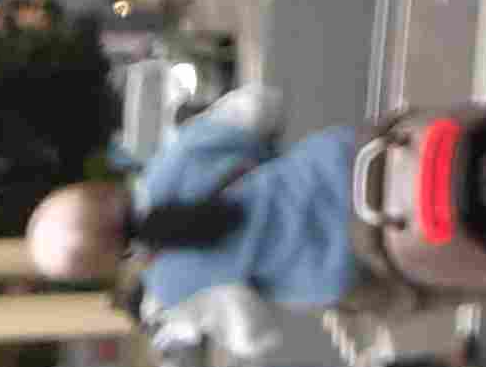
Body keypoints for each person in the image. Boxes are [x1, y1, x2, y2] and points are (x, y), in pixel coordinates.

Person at [27, 83, 375, 318]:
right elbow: (263, 104)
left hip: (348, 269)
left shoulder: (169, 292)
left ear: (101, 266)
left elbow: (255, 334)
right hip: (342, 166)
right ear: (99, 191)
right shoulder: (172, 159)